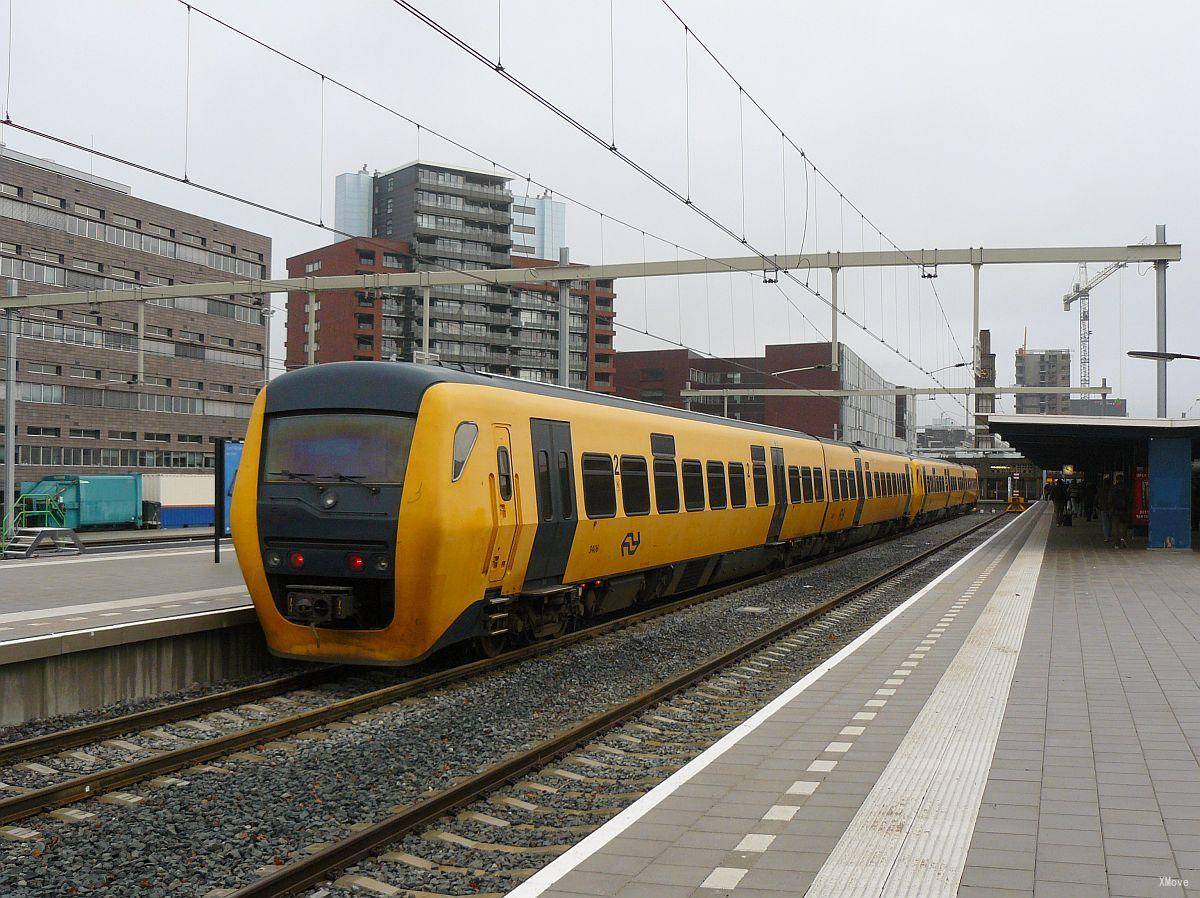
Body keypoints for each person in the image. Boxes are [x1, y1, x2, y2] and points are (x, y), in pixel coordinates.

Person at [1110, 472, 1130, 548]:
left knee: (1116, 527)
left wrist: (1111, 508)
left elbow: (1110, 500)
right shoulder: (1126, 488)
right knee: (1124, 526)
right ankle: (1123, 539)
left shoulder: (1113, 488)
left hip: (1115, 510)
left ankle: (1116, 543)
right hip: (1124, 510)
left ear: (1116, 480)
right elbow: (1129, 499)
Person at [1097, 474, 1113, 542]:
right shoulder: (1112, 489)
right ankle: (1109, 534)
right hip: (1111, 507)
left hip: (1103, 507)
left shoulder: (1101, 489)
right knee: (1110, 521)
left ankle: (1106, 537)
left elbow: (1097, 497)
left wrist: (1098, 505)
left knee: (1105, 522)